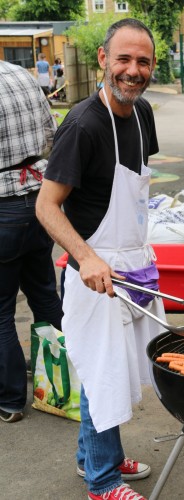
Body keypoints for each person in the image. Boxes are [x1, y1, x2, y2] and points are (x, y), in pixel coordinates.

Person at [36, 18, 166, 500]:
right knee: (102, 374)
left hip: (133, 265)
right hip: (95, 273)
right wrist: (87, 258)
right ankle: (103, 481)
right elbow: (46, 206)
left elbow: (132, 190)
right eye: (124, 59)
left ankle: (96, 455)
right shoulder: (83, 124)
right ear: (103, 62)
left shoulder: (144, 113)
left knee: (115, 370)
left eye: (144, 61)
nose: (133, 70)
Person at [0, 61, 63, 424]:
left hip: (3, 208)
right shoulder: (20, 74)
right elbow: (51, 134)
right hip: (39, 201)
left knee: (0, 311)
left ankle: (10, 400)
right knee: (44, 295)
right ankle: (57, 384)